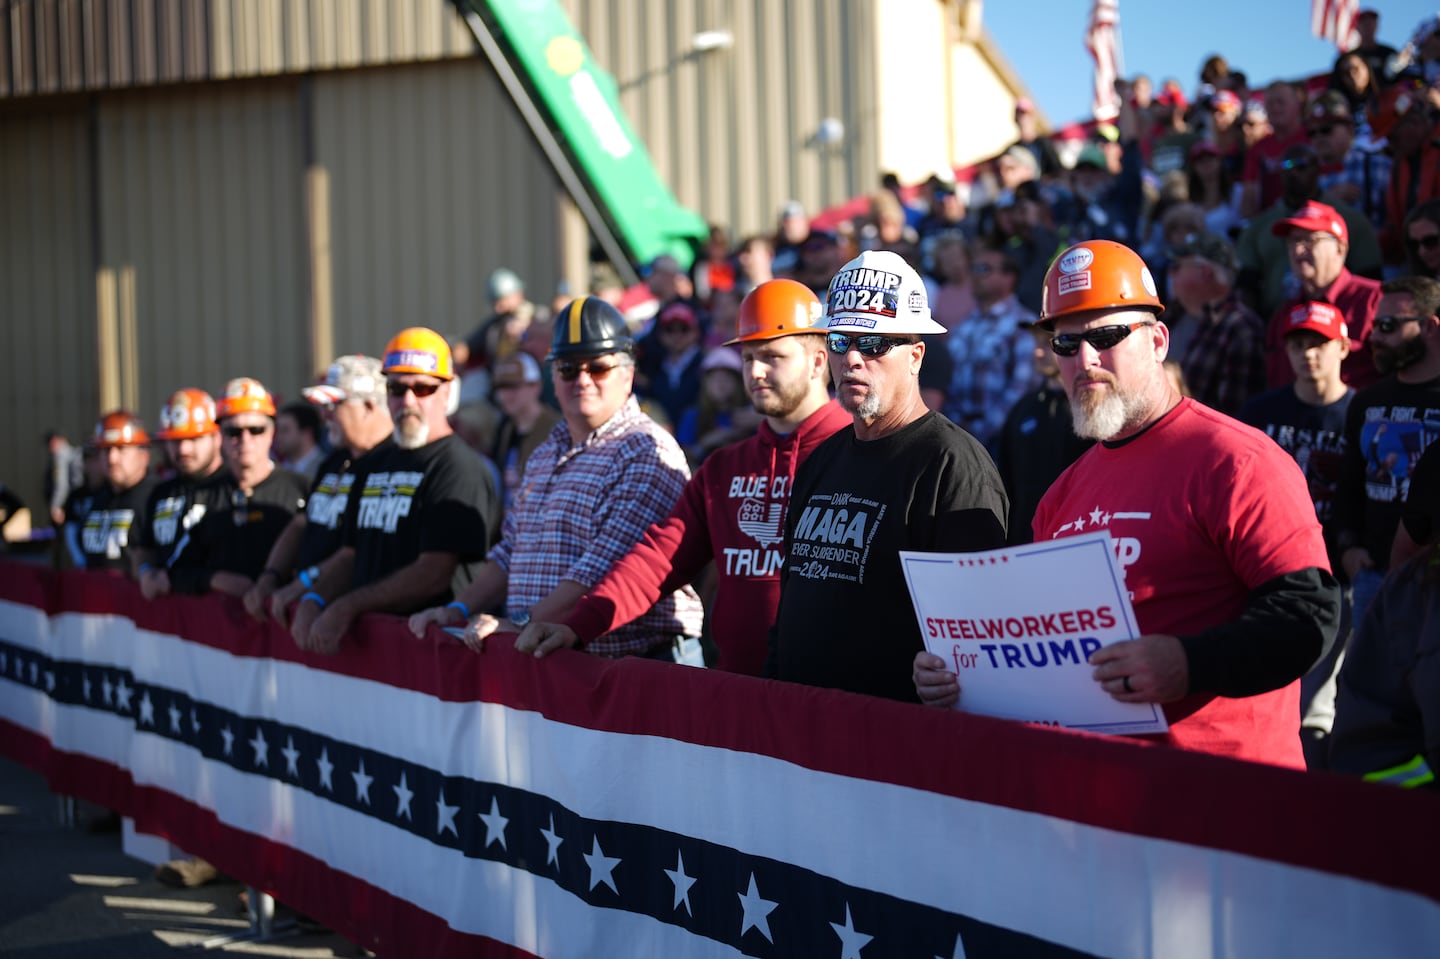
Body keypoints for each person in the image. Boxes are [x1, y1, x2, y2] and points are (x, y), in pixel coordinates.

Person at [914, 240, 1341, 767]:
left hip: (1228, 797)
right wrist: (960, 674)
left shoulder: (1236, 461)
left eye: (1108, 335)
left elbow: (1309, 614)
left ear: (1159, 341)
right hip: (1100, 802)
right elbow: (1043, 652)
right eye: (1066, 345)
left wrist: (1188, 663)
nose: (1086, 359)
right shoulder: (1062, 494)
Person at [511, 280, 850, 675]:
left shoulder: (859, 455)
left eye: (773, 356)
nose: (755, 371)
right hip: (740, 694)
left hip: (833, 700)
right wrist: (576, 627)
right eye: (747, 357)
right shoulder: (725, 468)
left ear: (818, 362)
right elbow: (656, 563)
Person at [767, 250, 1009, 702]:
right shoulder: (823, 459)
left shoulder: (952, 464)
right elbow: (791, 601)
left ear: (916, 356)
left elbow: (977, 634)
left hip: (894, 743)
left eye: (874, 343)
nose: (854, 358)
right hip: (803, 732)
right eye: (840, 341)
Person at [407, 298, 705, 662]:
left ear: (627, 374)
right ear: (552, 376)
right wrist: (457, 609)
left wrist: (517, 623)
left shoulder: (645, 450)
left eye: (598, 368)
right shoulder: (548, 451)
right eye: (568, 369)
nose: (582, 380)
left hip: (641, 662)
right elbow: (510, 550)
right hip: (562, 656)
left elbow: (603, 569)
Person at [290, 328, 497, 654]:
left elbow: (434, 572)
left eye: (424, 388)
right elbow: (350, 554)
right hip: (371, 651)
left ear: (448, 394)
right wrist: (314, 598)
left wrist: (347, 606)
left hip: (432, 654)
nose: (409, 401)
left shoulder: (458, 467)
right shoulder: (374, 463)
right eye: (397, 388)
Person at [1239, 301, 1356, 768]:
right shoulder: (1261, 411)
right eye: (1297, 343)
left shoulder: (1359, 411)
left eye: (1319, 343)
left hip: (1337, 573)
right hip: (1266, 573)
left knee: (1320, 707)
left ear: (1344, 347)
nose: (1308, 354)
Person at [241, 355, 396, 624]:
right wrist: (271, 575)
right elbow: (301, 524)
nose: (324, 416)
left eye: (334, 405)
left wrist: (306, 590)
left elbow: (354, 552)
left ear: (370, 406)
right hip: (313, 613)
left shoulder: (393, 466)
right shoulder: (335, 460)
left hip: (354, 623)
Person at [1333, 276, 1440, 626]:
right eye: (1374, 325)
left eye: (1388, 325)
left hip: (1433, 580)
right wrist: (1348, 547)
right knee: (1368, 681)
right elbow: (1348, 485)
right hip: (1374, 576)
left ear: (1429, 327)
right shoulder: (1367, 402)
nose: (1374, 336)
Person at [159, 378, 308, 598]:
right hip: (218, 627)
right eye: (234, 432)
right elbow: (176, 572)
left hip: (286, 623)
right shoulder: (202, 495)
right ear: (220, 436)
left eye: (256, 429)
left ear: (271, 432)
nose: (245, 440)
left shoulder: (302, 487)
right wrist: (214, 580)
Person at [1263, 198, 1381, 389]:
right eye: (1293, 240)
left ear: (1340, 248)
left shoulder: (1375, 301)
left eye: (1310, 240)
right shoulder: (1283, 316)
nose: (1298, 249)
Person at [995, 322, 1092, 546]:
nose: (1037, 352)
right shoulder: (1023, 409)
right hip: (1023, 542)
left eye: (1047, 344)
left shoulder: (1093, 411)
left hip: (1077, 541)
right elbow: (1007, 482)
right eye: (1036, 343)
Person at [132, 388, 232, 599]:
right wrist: (145, 572)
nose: (183, 449)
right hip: (169, 625)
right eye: (175, 441)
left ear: (217, 437)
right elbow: (143, 549)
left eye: (194, 439)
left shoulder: (234, 487)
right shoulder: (161, 492)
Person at [943, 243, 1039, 454]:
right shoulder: (964, 325)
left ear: (1009, 277)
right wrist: (955, 427)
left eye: (984, 269)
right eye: (974, 269)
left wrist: (978, 432)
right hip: (959, 437)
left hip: (1002, 443)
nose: (976, 276)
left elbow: (1021, 389)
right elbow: (948, 380)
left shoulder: (1023, 325)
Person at [1163, 232, 1267, 417]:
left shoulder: (1241, 328)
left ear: (1205, 272)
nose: (1170, 273)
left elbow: (1233, 415)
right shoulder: (1171, 313)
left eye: (1177, 266)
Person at [77, 412, 157, 572]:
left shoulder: (157, 498)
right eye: (106, 450)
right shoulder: (98, 498)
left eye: (121, 449)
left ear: (144, 455)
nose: (112, 458)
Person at [488, 352, 561, 509]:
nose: (505, 395)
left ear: (535, 386)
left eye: (513, 387)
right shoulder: (506, 429)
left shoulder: (557, 429)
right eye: (501, 387)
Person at [272, 401, 325, 481]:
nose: (278, 436)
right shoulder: (279, 468)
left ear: (307, 434)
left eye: (285, 430)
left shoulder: (325, 469)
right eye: (277, 430)